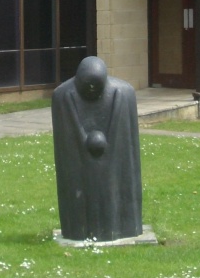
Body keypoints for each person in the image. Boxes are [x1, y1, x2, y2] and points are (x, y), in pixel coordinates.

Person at [51, 56, 142, 241]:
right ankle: (79, 228)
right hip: (81, 175)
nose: (91, 91)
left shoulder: (124, 94)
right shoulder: (62, 97)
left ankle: (123, 226)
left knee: (115, 189)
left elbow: (130, 155)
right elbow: (65, 158)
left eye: (95, 87)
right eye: (87, 87)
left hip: (111, 169)